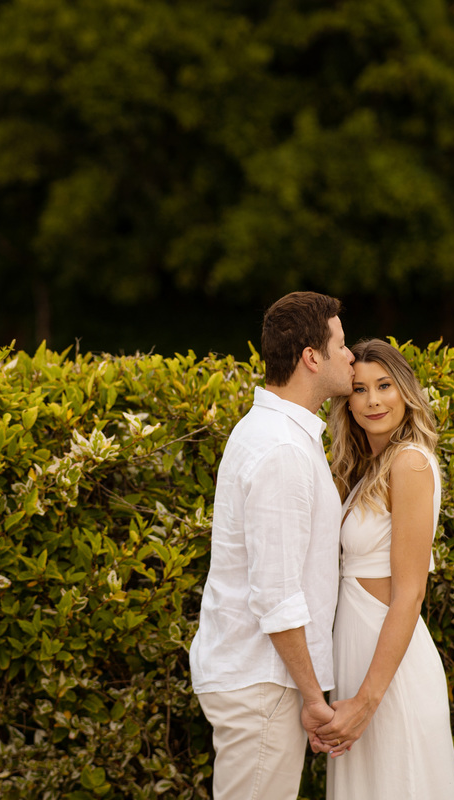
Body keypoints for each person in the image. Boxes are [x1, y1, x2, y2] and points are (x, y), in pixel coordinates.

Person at [190, 291, 357, 799]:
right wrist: (313, 698)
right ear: (312, 357)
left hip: (261, 678)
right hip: (264, 683)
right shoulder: (281, 448)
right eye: (342, 345)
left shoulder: (275, 433)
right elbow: (276, 596)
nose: (351, 356)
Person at [317, 339, 454, 799]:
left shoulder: (410, 463)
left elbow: (410, 595)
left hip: (389, 678)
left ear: (405, 391)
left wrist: (366, 700)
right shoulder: (364, 471)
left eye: (384, 386)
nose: (373, 400)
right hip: (354, 659)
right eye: (359, 389)